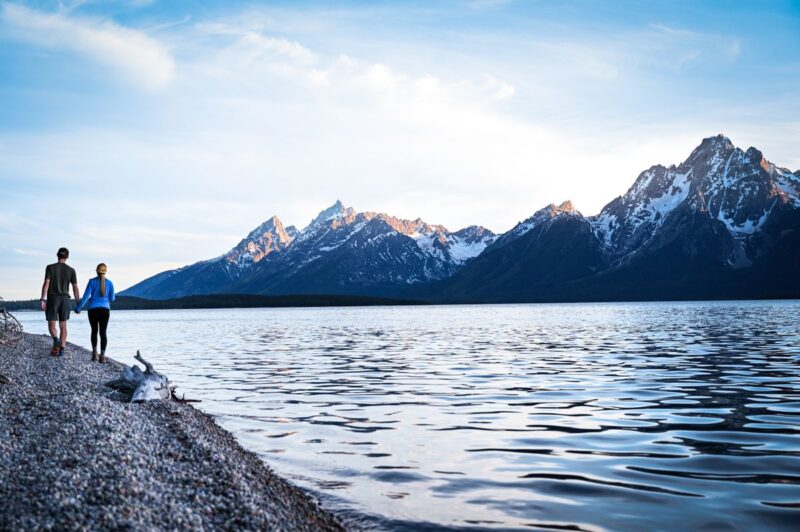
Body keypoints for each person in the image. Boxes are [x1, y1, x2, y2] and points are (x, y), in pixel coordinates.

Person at [40, 247, 80, 357]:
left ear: (57, 255)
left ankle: (56, 339)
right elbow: (75, 288)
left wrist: (42, 299)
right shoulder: (71, 270)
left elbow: (46, 284)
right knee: (63, 326)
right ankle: (62, 350)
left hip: (53, 298)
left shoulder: (50, 267)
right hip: (65, 300)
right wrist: (78, 302)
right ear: (67, 257)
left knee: (51, 323)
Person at [78, 263, 115, 363]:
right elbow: (112, 299)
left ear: (96, 271)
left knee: (94, 331)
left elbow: (86, 296)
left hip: (92, 310)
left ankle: (95, 354)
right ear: (105, 271)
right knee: (103, 332)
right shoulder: (110, 283)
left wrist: (79, 307)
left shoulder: (91, 282)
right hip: (105, 310)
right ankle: (102, 356)